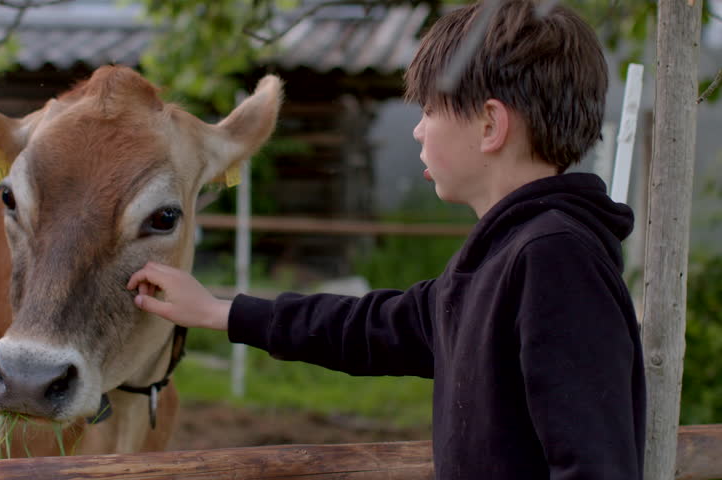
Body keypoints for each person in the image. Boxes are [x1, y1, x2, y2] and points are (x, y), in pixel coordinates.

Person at [127, 1, 646, 478]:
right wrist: (219, 311)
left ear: (490, 125)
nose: (417, 131)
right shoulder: (499, 257)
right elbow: (368, 327)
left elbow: (595, 466)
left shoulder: (555, 259)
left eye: (430, 111)